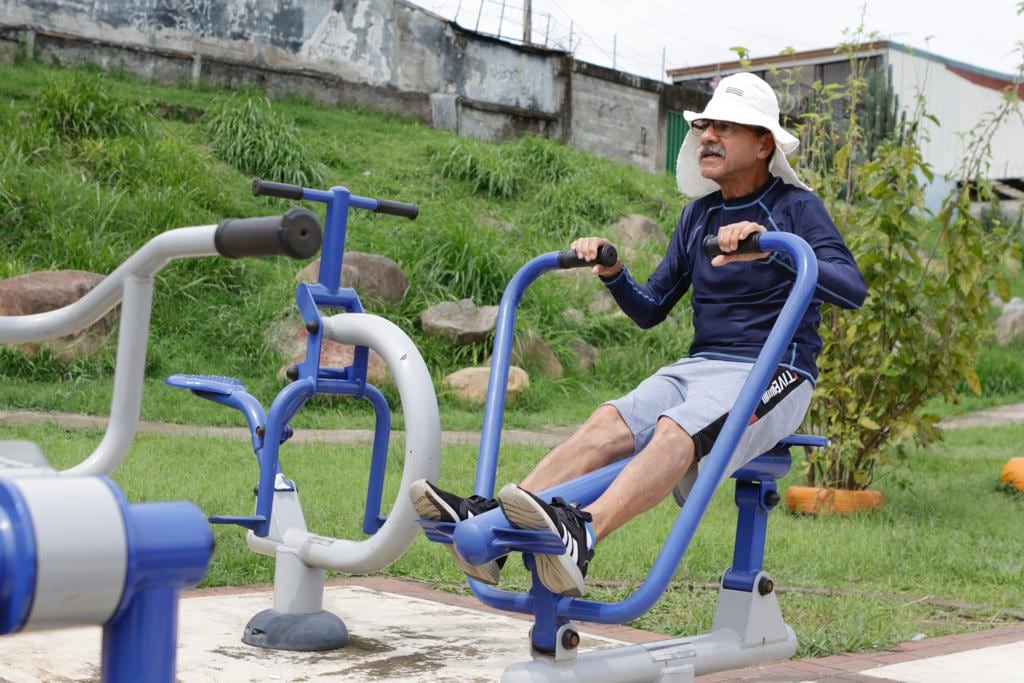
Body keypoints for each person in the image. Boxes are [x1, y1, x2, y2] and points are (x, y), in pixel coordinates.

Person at [409, 72, 867, 597]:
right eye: (704, 126)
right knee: (605, 424)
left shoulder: (794, 208)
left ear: (763, 143)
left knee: (676, 430)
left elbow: (852, 289)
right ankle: (492, 529)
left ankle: (583, 532)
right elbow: (651, 309)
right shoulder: (700, 215)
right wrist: (613, 272)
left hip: (775, 370)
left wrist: (777, 245)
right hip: (699, 367)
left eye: (724, 126)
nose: (707, 136)